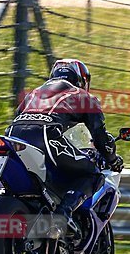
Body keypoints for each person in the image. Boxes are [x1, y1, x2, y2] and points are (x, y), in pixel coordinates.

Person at [6, 59, 123, 234]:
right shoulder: (84, 96)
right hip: (46, 136)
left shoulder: (33, 94)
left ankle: (3, 197)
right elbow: (100, 137)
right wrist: (112, 159)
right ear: (81, 79)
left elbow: (18, 117)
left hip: (12, 135)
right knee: (93, 174)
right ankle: (63, 214)